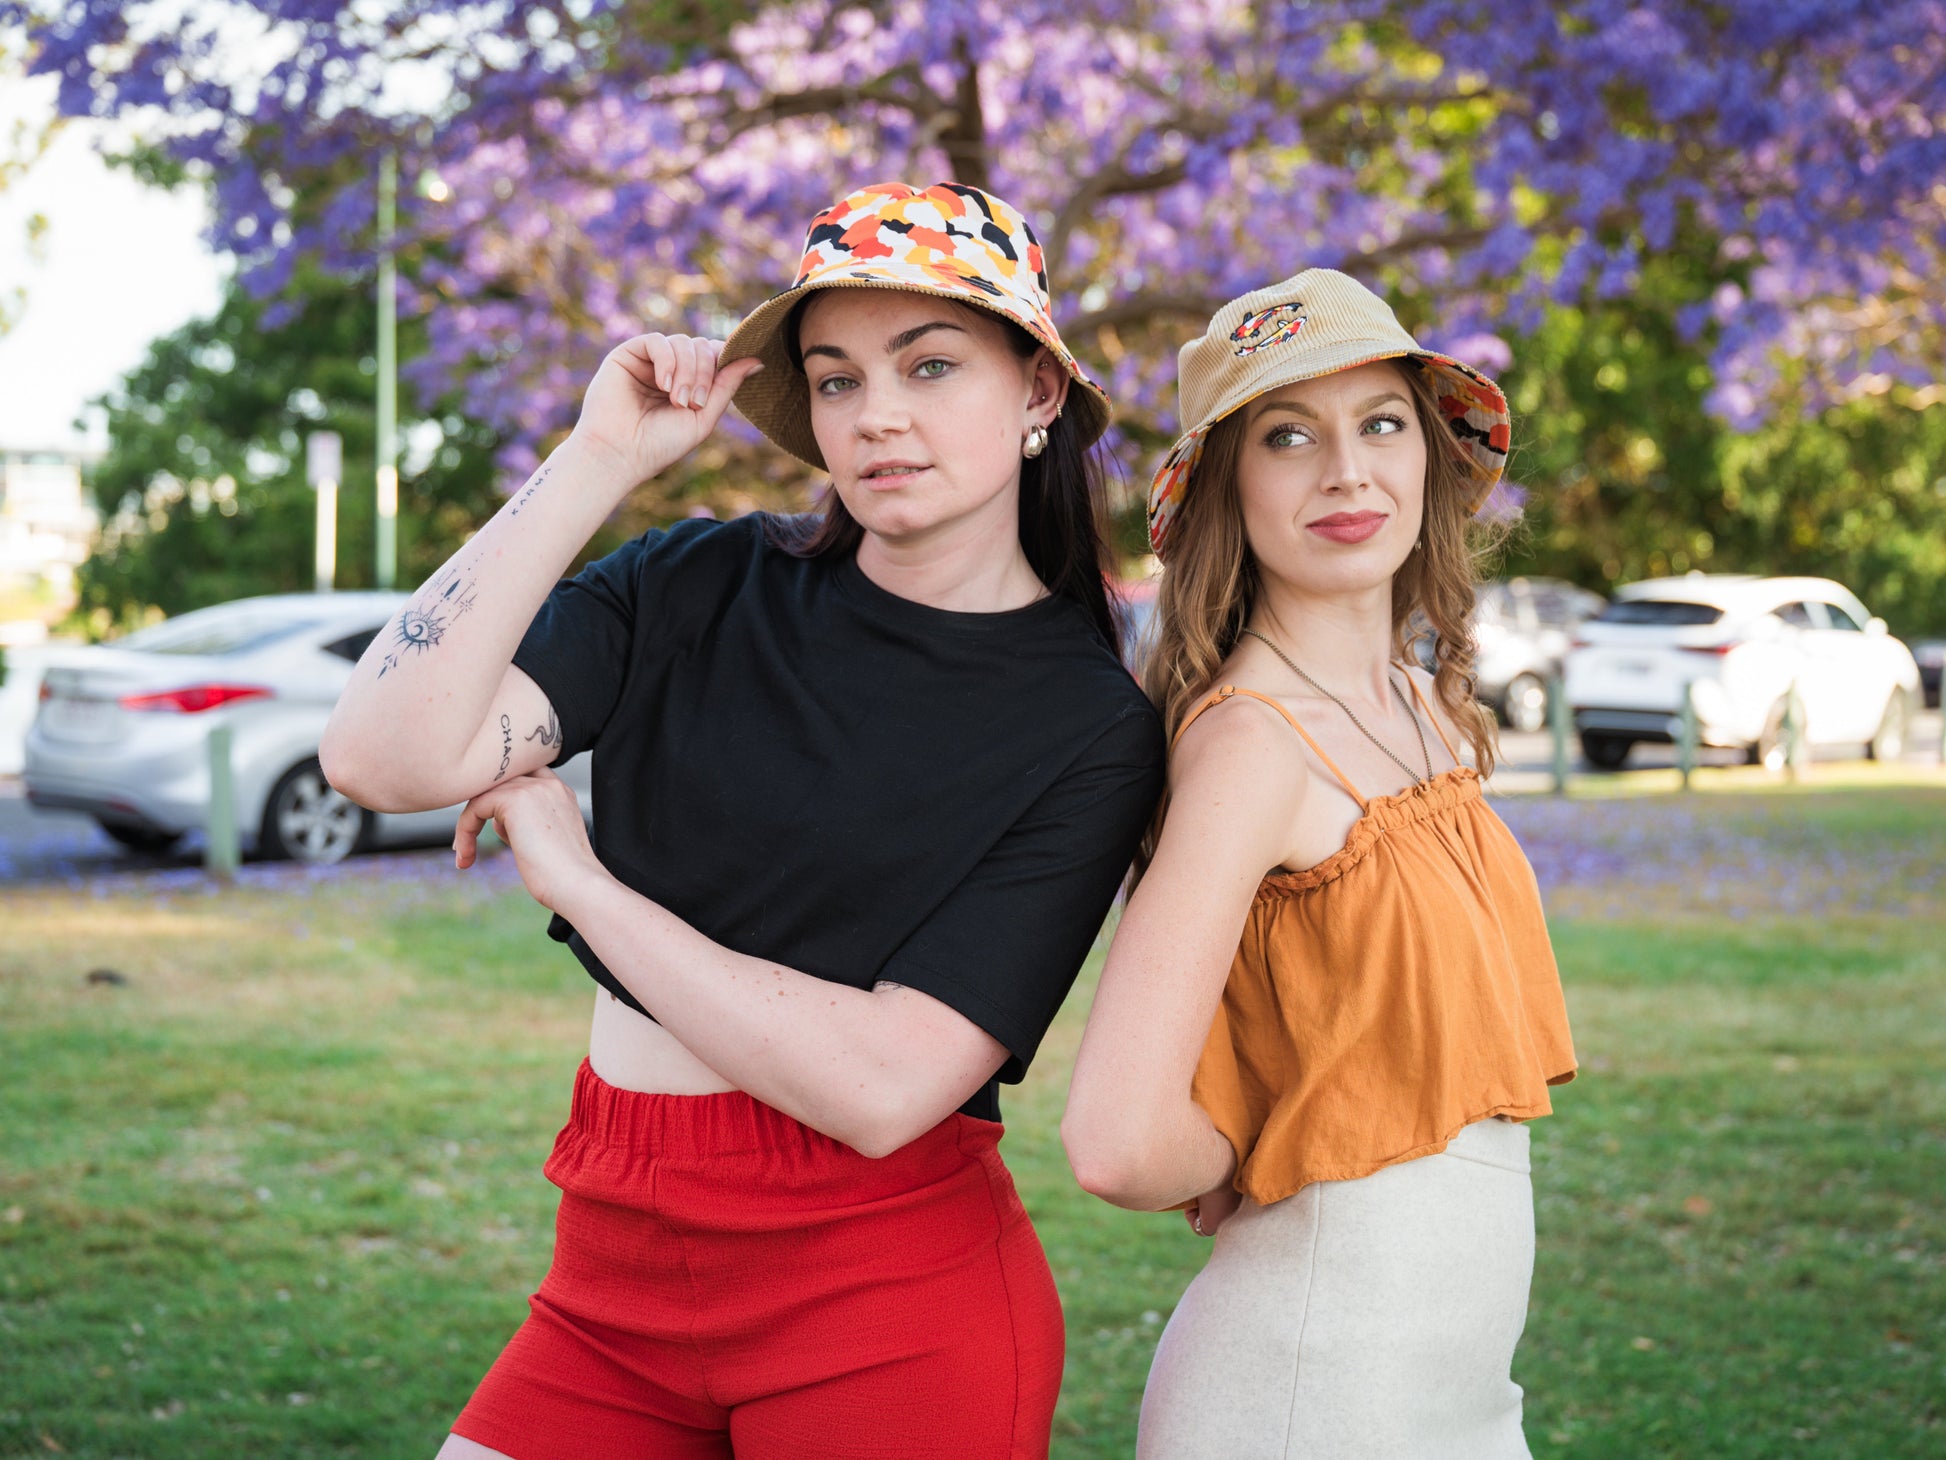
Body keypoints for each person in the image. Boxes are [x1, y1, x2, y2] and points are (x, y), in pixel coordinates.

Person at [320, 180, 1164, 1460]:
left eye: (929, 365)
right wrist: (598, 457)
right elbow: (381, 754)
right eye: (833, 379)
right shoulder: (696, 582)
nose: (875, 413)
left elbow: (884, 1085)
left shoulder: (1090, 727)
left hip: (883, 1304)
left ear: (1038, 392)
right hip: (608, 1279)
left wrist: (582, 882)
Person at [1060, 269, 1577, 1458]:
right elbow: (1118, 1137)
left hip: (1458, 1394)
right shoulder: (1251, 742)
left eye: (1379, 423)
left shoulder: (1423, 704)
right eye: (1286, 436)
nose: (1345, 471)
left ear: (1426, 458)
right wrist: (1270, 1135)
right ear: (1227, 492)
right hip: (1310, 1391)